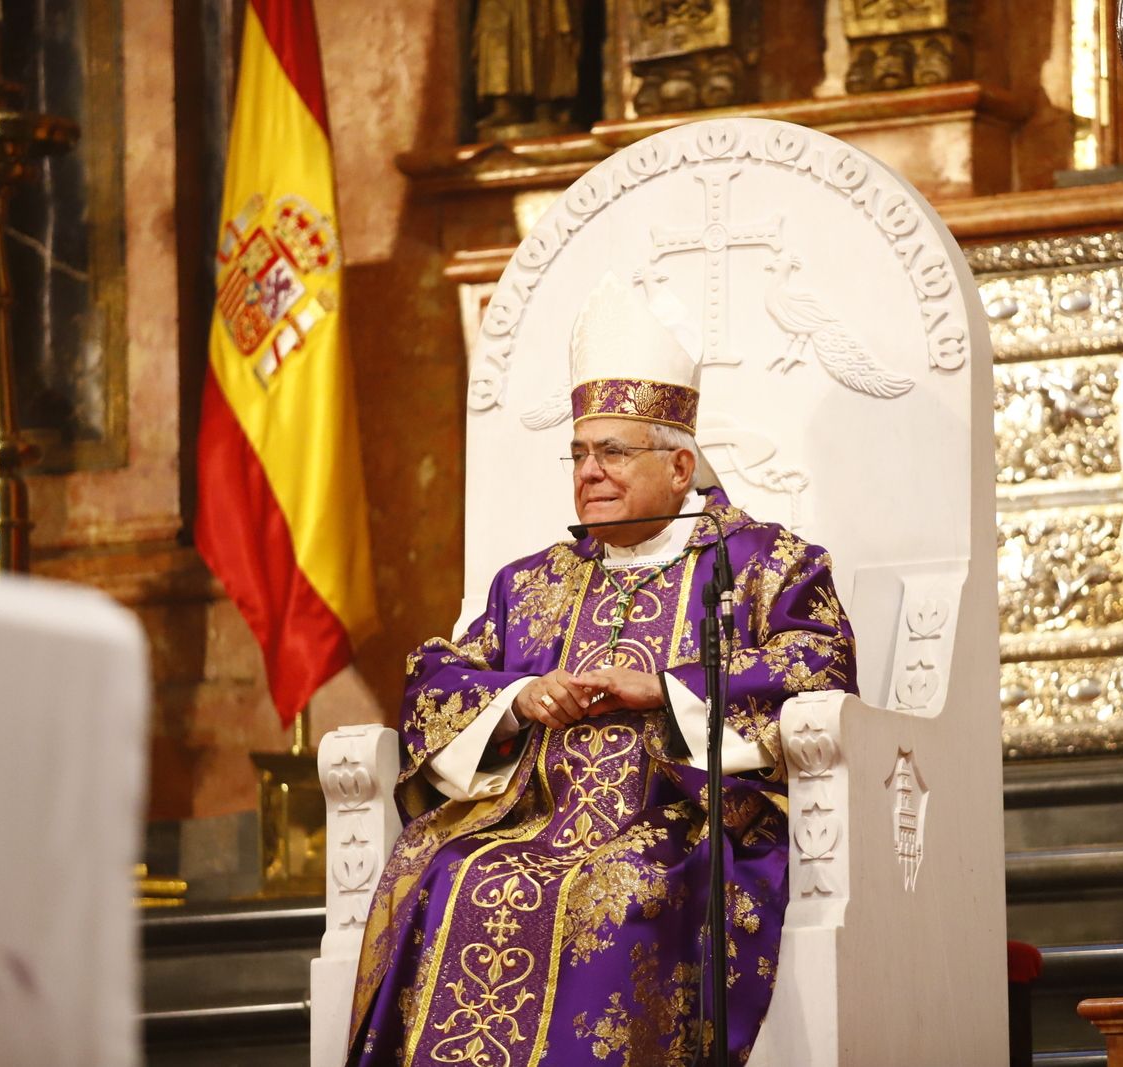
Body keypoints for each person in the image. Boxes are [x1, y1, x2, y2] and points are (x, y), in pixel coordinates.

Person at [346, 273, 857, 1065]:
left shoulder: (763, 562)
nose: (589, 471)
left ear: (680, 466)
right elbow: (433, 679)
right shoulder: (533, 582)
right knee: (451, 877)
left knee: (613, 894)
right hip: (531, 826)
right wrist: (519, 695)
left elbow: (819, 663)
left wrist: (669, 690)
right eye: (580, 452)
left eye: (613, 451)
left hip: (684, 827)